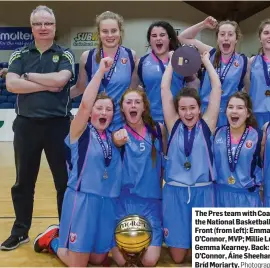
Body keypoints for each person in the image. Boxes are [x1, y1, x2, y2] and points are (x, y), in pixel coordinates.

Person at [33, 57, 122, 267]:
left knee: (99, 259)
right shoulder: (79, 132)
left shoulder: (113, 137)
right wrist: (100, 71)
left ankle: (68, 242)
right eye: (99, 108)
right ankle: (53, 240)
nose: (103, 112)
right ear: (91, 112)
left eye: (108, 109)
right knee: (78, 264)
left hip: (106, 201)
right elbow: (83, 105)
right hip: (81, 200)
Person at [0, 5, 74, 251]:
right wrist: (47, 83)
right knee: (23, 183)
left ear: (54, 27)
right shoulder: (18, 54)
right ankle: (20, 231)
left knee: (64, 182)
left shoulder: (65, 53)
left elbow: (62, 80)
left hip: (59, 126)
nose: (43, 28)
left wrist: (27, 78)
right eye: (38, 23)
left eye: (48, 23)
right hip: (26, 126)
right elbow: (11, 85)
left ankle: (67, 230)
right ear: (32, 27)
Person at [160, 51, 221, 263]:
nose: (188, 113)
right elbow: (164, 89)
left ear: (199, 108)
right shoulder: (173, 124)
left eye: (192, 108)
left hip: (202, 191)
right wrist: (170, 63)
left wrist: (206, 62)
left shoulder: (207, 125)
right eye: (183, 109)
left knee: (201, 257)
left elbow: (217, 89)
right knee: (177, 258)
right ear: (177, 110)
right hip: (175, 192)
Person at [111, 88, 167, 267]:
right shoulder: (118, 132)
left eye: (137, 102)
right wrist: (115, 140)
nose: (133, 105)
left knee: (150, 261)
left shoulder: (158, 129)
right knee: (121, 261)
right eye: (128, 102)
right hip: (123, 202)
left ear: (144, 107)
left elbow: (164, 163)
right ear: (122, 108)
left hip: (151, 203)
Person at [178, 16, 249, 127]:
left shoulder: (244, 61)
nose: (226, 38)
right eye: (222, 34)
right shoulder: (209, 53)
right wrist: (203, 24)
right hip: (206, 111)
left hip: (229, 114)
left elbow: (248, 91)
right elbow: (182, 38)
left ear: (236, 39)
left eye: (230, 34)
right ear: (217, 39)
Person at [70, 11, 136, 130]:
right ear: (98, 34)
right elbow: (80, 88)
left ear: (120, 32)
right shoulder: (87, 57)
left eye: (114, 31)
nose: (110, 35)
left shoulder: (131, 56)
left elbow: (134, 90)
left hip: (122, 124)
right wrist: (55, 98)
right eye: (105, 31)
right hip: (95, 123)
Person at [130, 21, 197, 123]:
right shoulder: (141, 62)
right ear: (149, 40)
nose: (158, 38)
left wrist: (191, 105)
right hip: (151, 118)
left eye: (162, 35)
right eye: (154, 36)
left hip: (178, 117)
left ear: (169, 39)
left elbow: (193, 82)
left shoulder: (180, 60)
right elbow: (132, 90)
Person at [213, 92, 262, 207]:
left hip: (247, 197)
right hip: (220, 195)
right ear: (225, 111)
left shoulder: (258, 136)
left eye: (240, 107)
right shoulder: (216, 133)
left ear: (248, 113)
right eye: (230, 107)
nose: (234, 111)